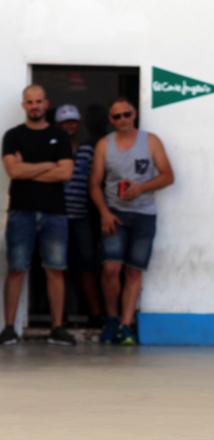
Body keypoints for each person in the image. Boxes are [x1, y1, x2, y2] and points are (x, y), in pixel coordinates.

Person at [89, 97, 174, 345]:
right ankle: (112, 319)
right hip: (114, 213)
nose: (122, 120)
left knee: (134, 270)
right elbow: (94, 184)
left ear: (134, 113)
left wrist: (141, 188)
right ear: (110, 120)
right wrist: (104, 213)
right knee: (110, 269)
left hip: (144, 215)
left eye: (126, 114)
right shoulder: (104, 145)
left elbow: (168, 175)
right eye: (117, 117)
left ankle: (126, 325)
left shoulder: (150, 141)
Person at [0, 84, 76, 346]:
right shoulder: (12, 136)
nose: (34, 106)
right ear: (24, 105)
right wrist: (47, 165)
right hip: (21, 212)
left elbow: (65, 173)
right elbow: (14, 172)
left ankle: (57, 328)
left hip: (55, 213)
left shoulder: (60, 136)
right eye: (30, 102)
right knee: (16, 269)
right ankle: (9, 328)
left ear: (47, 103)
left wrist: (27, 168)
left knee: (55, 270)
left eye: (39, 101)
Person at [56, 104, 104, 328]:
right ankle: (60, 317)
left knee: (87, 265)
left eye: (73, 121)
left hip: (83, 215)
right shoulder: (51, 147)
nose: (70, 125)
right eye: (65, 122)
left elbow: (95, 179)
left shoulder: (87, 148)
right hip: (56, 215)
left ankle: (95, 314)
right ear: (58, 124)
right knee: (58, 266)